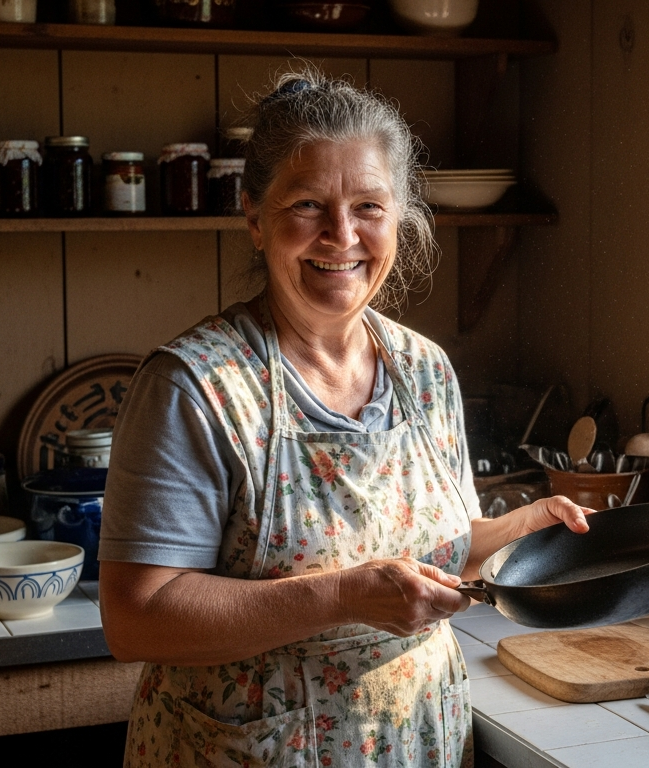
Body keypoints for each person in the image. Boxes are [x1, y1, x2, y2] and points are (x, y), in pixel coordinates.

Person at [98, 69, 595, 768]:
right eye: (307, 204)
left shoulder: (424, 371)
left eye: (368, 205)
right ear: (253, 217)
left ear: (399, 218)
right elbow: (136, 618)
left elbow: (425, 555)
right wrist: (342, 598)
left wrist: (518, 534)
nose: (342, 234)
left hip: (415, 738)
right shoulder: (196, 387)